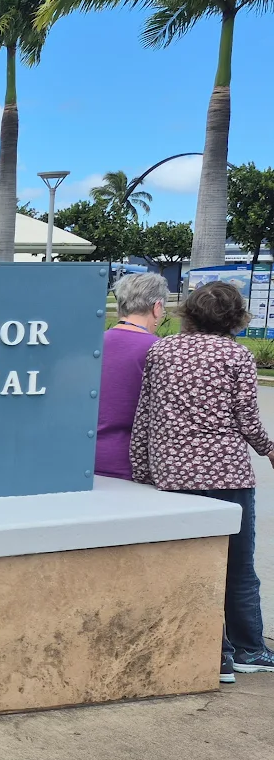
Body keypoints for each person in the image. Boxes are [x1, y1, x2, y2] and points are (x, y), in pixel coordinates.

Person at [130, 281, 274, 683]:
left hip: (172, 473)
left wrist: (143, 470)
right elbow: (247, 420)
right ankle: (249, 649)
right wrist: (268, 449)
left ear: (189, 312)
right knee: (238, 566)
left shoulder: (162, 350)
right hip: (227, 474)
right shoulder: (237, 356)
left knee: (191, 564)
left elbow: (146, 415)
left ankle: (214, 653)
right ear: (236, 317)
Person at [96, 272, 169, 479]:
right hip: (133, 463)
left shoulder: (91, 344)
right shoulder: (159, 350)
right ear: (156, 307)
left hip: (85, 456)